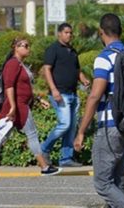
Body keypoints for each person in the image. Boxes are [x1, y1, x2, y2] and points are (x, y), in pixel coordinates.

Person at [0, 37, 61, 178]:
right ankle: (44, 167)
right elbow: (9, 86)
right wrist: (14, 107)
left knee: (3, 135)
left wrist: (39, 99)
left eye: (28, 46)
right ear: (16, 47)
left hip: (18, 105)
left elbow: (23, 88)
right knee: (32, 135)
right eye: (25, 46)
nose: (28, 48)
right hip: (17, 106)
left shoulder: (20, 64)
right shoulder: (13, 64)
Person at [74, 13, 124, 208]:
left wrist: (81, 131)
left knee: (103, 184)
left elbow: (95, 96)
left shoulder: (104, 57)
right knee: (118, 182)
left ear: (101, 32)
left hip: (109, 124)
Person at [41, 22, 90, 168]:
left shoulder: (72, 51)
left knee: (71, 127)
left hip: (73, 94)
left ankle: (66, 158)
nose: (69, 35)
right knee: (64, 124)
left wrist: (83, 79)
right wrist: (54, 90)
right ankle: (43, 149)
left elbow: (77, 70)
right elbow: (47, 70)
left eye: (70, 33)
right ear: (59, 34)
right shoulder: (53, 49)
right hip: (60, 93)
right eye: (66, 32)